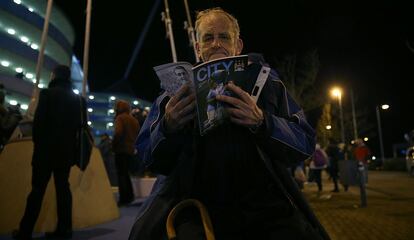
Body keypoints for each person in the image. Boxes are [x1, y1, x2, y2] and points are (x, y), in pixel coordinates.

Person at [130, 7, 329, 240]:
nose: (216, 44)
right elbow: (145, 155)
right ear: (198, 49)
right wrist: (167, 127)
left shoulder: (268, 85)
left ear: (238, 45)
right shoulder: (172, 96)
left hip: (264, 208)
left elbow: (304, 142)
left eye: (224, 37)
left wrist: (262, 122)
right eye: (208, 38)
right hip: (196, 206)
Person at [13, 65, 84, 239]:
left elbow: (38, 125)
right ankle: (64, 230)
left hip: (44, 153)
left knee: (37, 191)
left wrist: (39, 147)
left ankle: (25, 231)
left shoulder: (46, 94)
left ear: (54, 76)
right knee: (63, 190)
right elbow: (79, 128)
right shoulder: (77, 100)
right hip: (65, 154)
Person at [112, 100, 140, 206]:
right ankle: (130, 195)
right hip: (131, 150)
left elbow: (118, 132)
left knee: (121, 174)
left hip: (121, 149)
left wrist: (113, 145)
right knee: (126, 174)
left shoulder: (120, 118)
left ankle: (124, 198)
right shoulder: (133, 120)